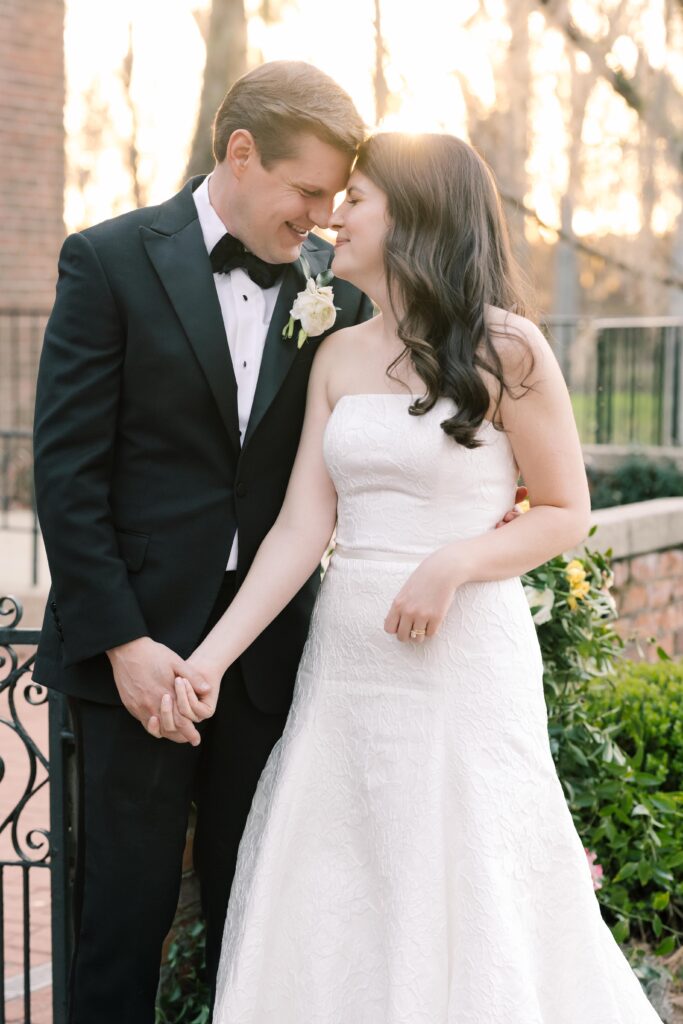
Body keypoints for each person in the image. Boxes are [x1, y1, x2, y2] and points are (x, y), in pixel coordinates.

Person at [155, 133, 665, 1023]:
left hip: (462, 663)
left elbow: (562, 510)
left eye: (359, 197)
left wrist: (454, 562)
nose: (334, 213)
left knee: (464, 877)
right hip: (348, 673)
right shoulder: (337, 355)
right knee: (342, 885)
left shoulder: (509, 351)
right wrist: (209, 660)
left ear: (419, 215)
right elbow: (298, 532)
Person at [33, 61, 377, 1024]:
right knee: (119, 925)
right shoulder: (106, 260)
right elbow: (67, 477)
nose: (318, 216)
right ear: (239, 152)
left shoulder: (336, 295)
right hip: (131, 654)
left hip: (268, 659)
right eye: (305, 190)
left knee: (259, 922)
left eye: (332, 198)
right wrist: (124, 642)